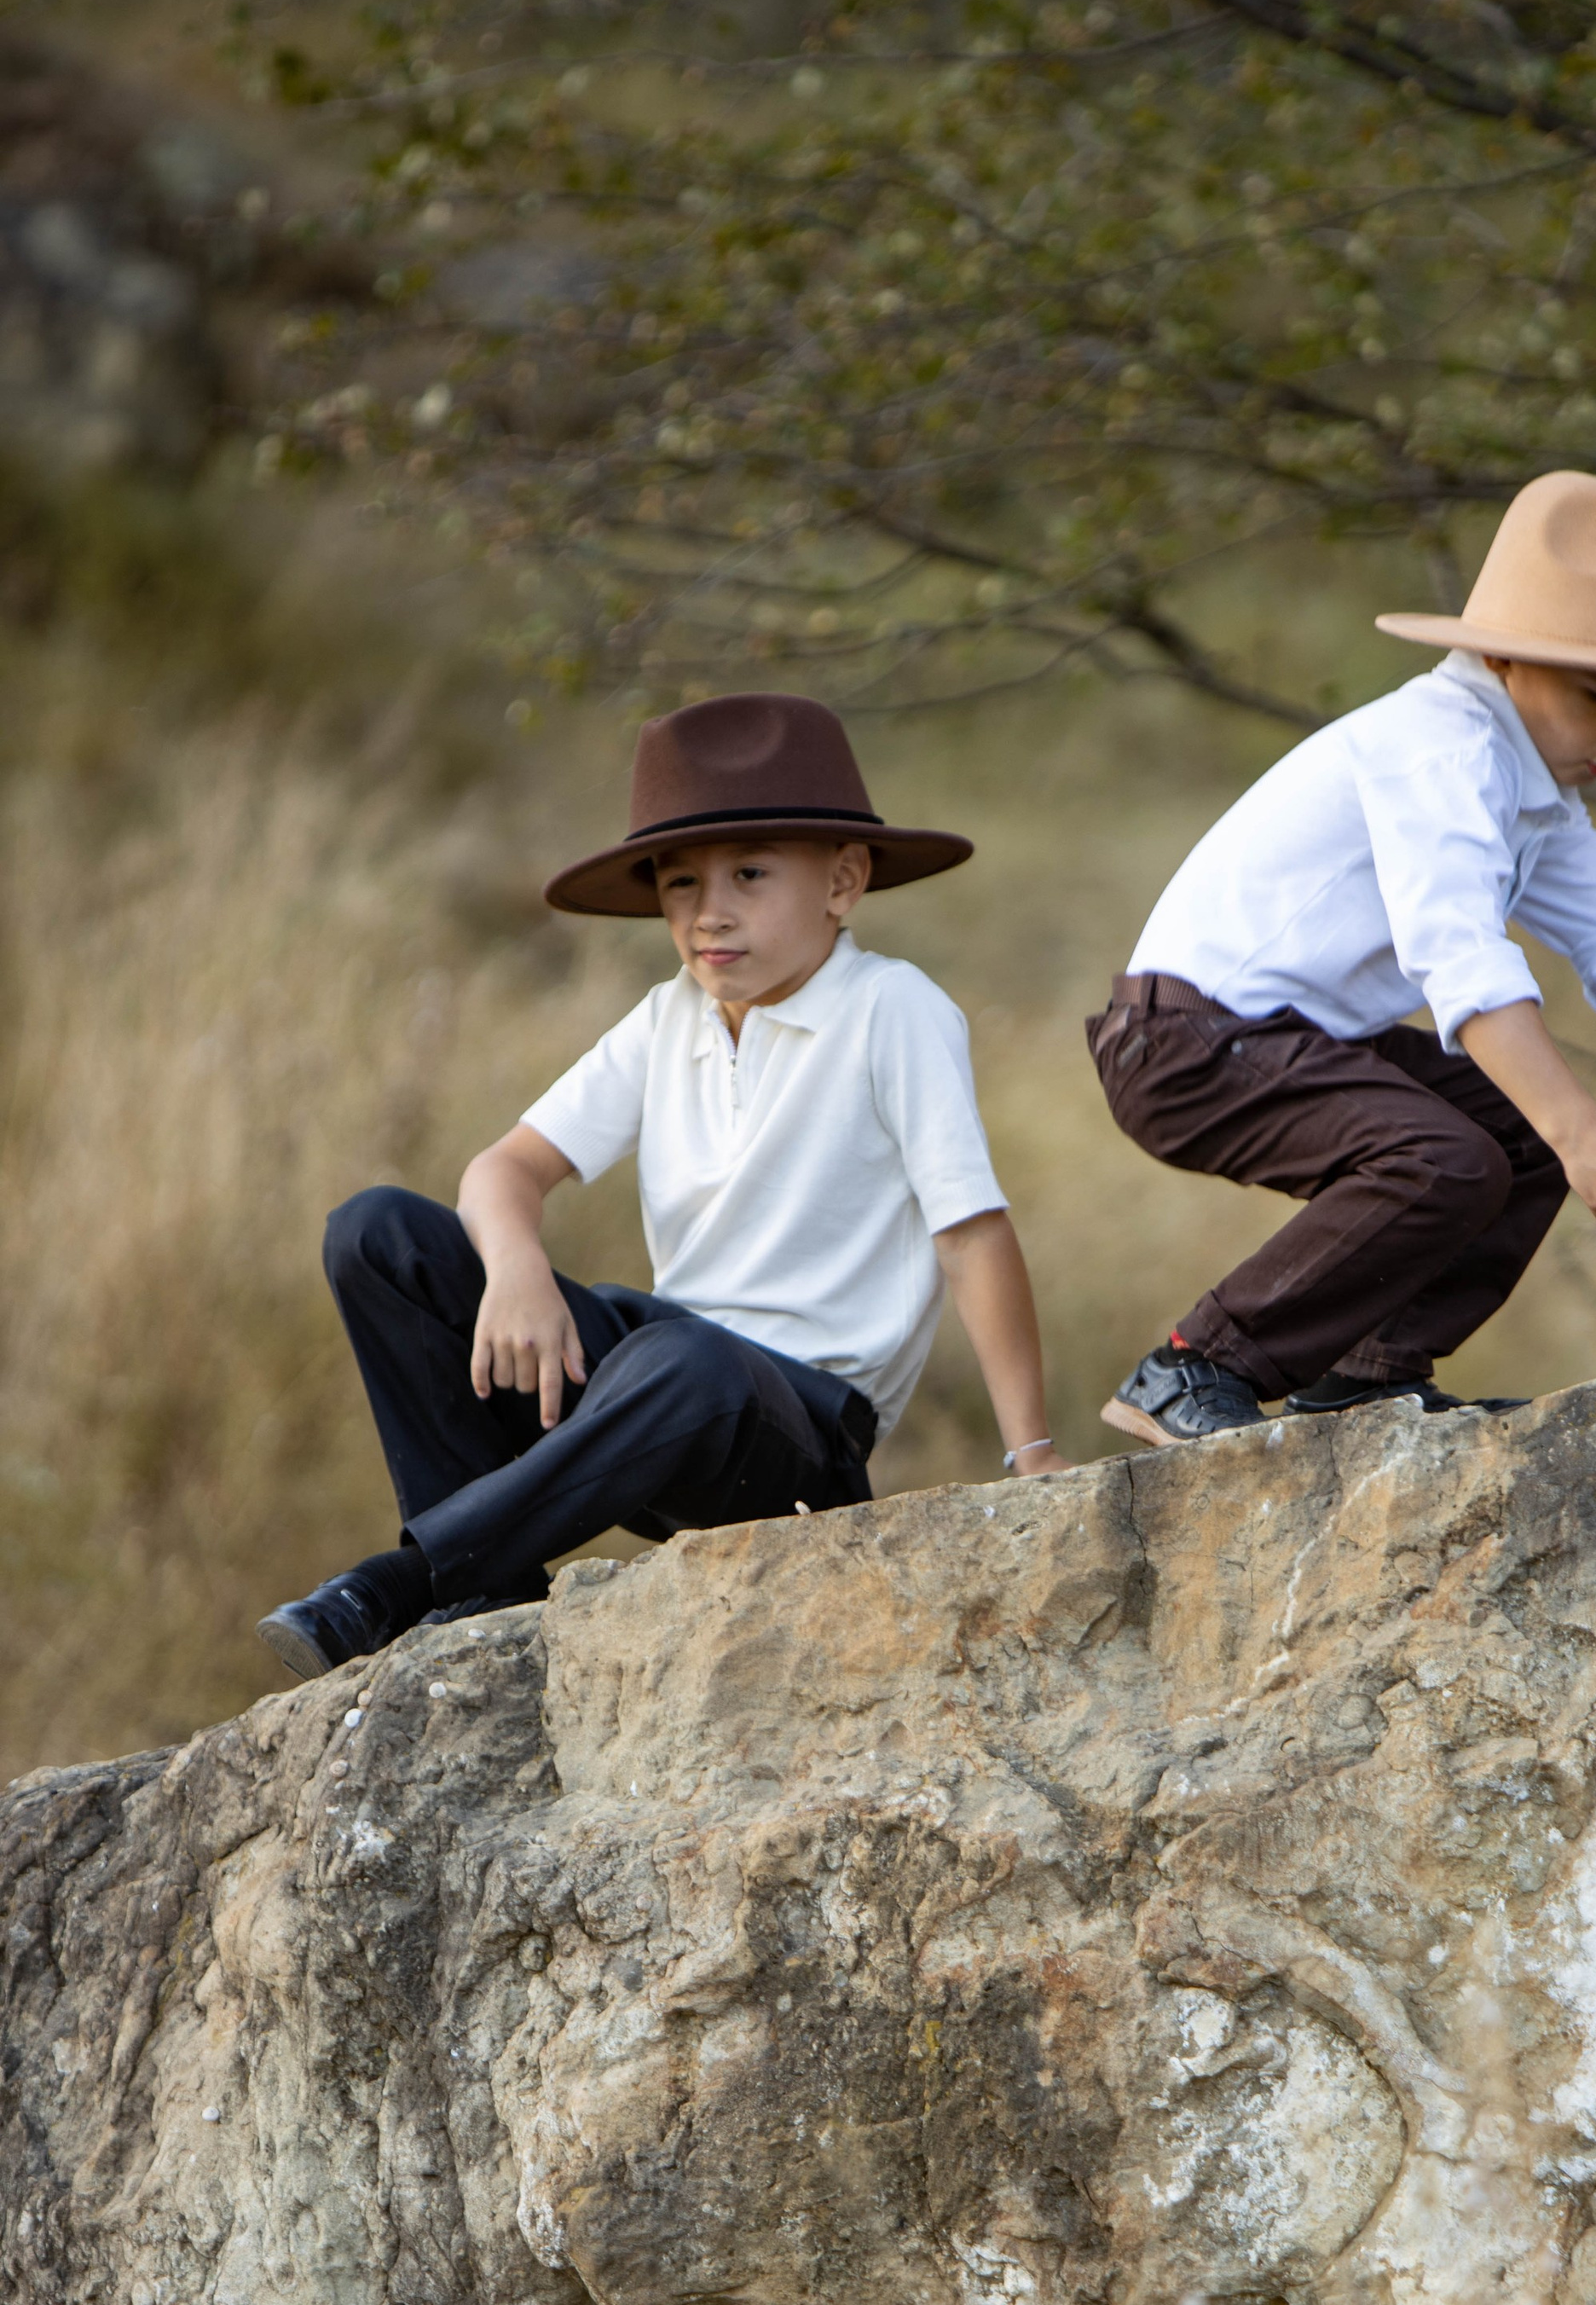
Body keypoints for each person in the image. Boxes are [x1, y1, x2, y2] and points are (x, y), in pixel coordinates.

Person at [258, 693, 1068, 1679]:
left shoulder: (891, 1009)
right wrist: (516, 1268)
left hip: (788, 1433)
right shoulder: (668, 1017)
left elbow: (971, 1233)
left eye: (750, 875)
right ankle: (484, 1591)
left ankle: (412, 1578)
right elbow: (504, 1168)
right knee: (378, 1233)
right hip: (646, 1393)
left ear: (843, 882)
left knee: (684, 1360)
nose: (708, 912)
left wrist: (1031, 1456)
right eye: (680, 884)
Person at [1089, 471, 1596, 1445]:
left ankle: (1363, 1378)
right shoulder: (1443, 751)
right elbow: (1460, 957)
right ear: (1508, 658)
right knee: (1449, 1157)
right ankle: (1191, 1366)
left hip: (1282, 1039)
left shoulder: (1527, 782)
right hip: (1186, 1043)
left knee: (1517, 1144)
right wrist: (1584, 1128)